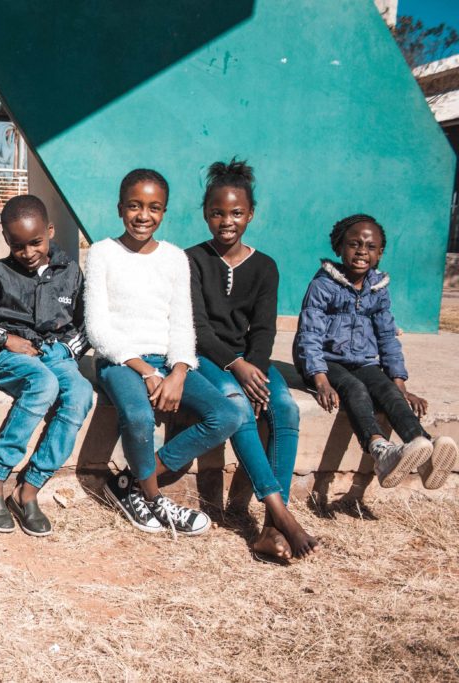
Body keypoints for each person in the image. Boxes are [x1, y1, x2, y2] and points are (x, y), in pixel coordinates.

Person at [85, 168, 240, 536]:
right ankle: (154, 499)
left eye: (154, 208)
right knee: (138, 417)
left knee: (226, 415)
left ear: (164, 212)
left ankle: (132, 482)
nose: (143, 215)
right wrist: (146, 372)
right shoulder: (102, 252)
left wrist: (178, 372)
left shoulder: (173, 257)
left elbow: (182, 323)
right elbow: (97, 328)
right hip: (121, 361)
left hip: (166, 362)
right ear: (120, 207)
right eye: (135, 206)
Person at [187, 159, 318, 561]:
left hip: (251, 358)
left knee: (283, 406)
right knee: (236, 401)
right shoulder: (192, 259)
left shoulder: (265, 266)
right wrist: (237, 368)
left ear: (251, 214)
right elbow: (199, 328)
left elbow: (263, 330)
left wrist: (256, 368)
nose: (227, 221)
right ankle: (280, 510)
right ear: (206, 214)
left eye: (237, 213)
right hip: (209, 355)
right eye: (218, 212)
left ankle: (268, 529)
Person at [293, 214, 456, 490]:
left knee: (389, 392)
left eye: (370, 247)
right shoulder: (324, 284)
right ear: (339, 247)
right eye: (354, 244)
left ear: (379, 254)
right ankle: (381, 452)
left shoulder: (378, 289)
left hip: (361, 360)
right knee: (355, 389)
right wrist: (320, 380)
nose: (361, 252)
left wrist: (400, 383)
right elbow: (309, 335)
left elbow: (387, 337)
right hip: (324, 361)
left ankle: (422, 446)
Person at [0, 195, 93, 536]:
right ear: (7, 241)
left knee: (81, 393)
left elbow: (85, 323)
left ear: (50, 232)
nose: (27, 252)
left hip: (56, 353)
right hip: (6, 355)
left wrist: (68, 351)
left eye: (35, 242)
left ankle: (29, 489)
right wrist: (5, 339)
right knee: (43, 384)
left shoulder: (69, 272)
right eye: (17, 245)